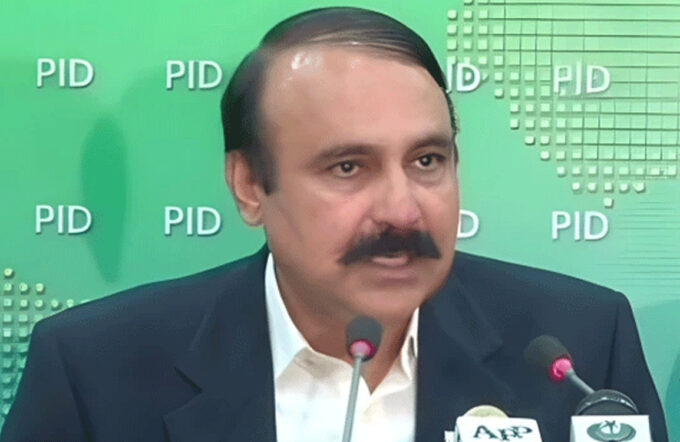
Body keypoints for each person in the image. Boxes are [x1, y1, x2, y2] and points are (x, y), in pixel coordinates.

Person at [1, 7, 668, 442]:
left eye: (427, 160)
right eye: (348, 167)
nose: (402, 210)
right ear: (249, 185)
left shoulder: (581, 346)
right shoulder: (94, 371)